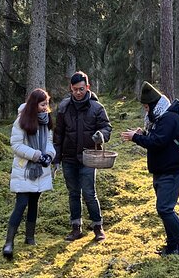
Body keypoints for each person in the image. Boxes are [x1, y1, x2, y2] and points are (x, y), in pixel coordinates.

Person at [121, 81, 179, 256]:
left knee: (164, 209)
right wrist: (143, 134)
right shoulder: (160, 118)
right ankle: (172, 246)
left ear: (153, 105)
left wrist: (136, 138)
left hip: (172, 171)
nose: (146, 111)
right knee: (165, 209)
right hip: (161, 171)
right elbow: (158, 139)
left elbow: (158, 142)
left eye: (147, 107)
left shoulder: (169, 118)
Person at [53, 71, 112, 242]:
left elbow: (107, 128)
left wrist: (101, 135)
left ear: (87, 87)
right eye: (75, 90)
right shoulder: (64, 108)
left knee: (89, 192)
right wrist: (56, 159)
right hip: (69, 158)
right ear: (70, 89)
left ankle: (98, 227)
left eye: (81, 89)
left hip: (89, 157)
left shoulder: (97, 108)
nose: (78, 93)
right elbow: (58, 135)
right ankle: (75, 227)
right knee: (73, 193)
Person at [2, 88, 56, 259]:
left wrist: (49, 155)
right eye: (42, 104)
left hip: (40, 169)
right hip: (24, 168)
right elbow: (16, 145)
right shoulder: (21, 121)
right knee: (21, 203)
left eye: (46, 104)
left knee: (35, 201)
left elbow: (49, 141)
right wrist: (36, 155)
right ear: (34, 104)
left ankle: (30, 238)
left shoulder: (46, 121)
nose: (45, 108)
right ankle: (9, 242)